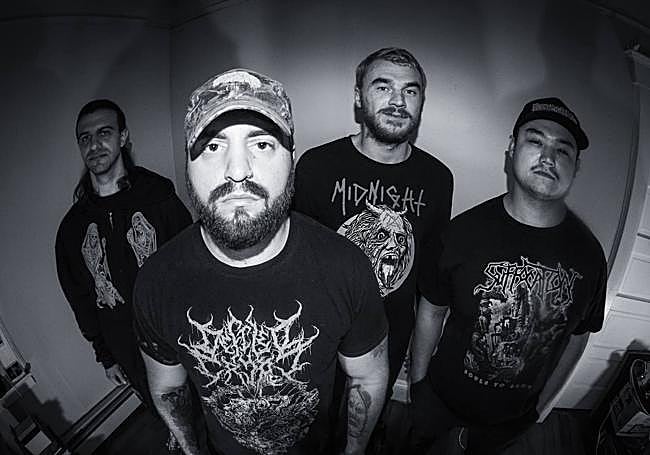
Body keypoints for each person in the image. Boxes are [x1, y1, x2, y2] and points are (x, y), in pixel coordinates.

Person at [133, 68, 389, 455]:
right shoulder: (156, 282)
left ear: (292, 159)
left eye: (263, 144)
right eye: (213, 146)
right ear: (187, 164)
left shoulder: (346, 267)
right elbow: (169, 388)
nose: (238, 171)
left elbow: (367, 379)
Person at [410, 97, 607, 454]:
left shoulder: (590, 257)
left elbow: (578, 338)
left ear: (576, 167)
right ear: (512, 148)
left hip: (512, 419)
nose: (548, 157)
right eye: (535, 140)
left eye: (563, 150)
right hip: (440, 399)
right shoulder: (460, 234)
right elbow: (432, 310)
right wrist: (419, 385)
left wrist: (541, 411)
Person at [294, 47, 453, 399]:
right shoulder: (317, 166)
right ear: (358, 97)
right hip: (321, 331)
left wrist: (418, 369)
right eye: (383, 87)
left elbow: (430, 283)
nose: (398, 101)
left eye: (410, 91)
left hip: (388, 337)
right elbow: (295, 265)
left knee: (368, 417)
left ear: (421, 102)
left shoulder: (437, 179)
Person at [55, 99, 192, 406]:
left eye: (104, 133)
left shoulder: (157, 196)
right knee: (167, 416)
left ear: (123, 137)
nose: (94, 145)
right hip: (129, 351)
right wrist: (106, 356)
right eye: (85, 138)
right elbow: (80, 298)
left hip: (180, 333)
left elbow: (192, 260)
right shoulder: (72, 230)